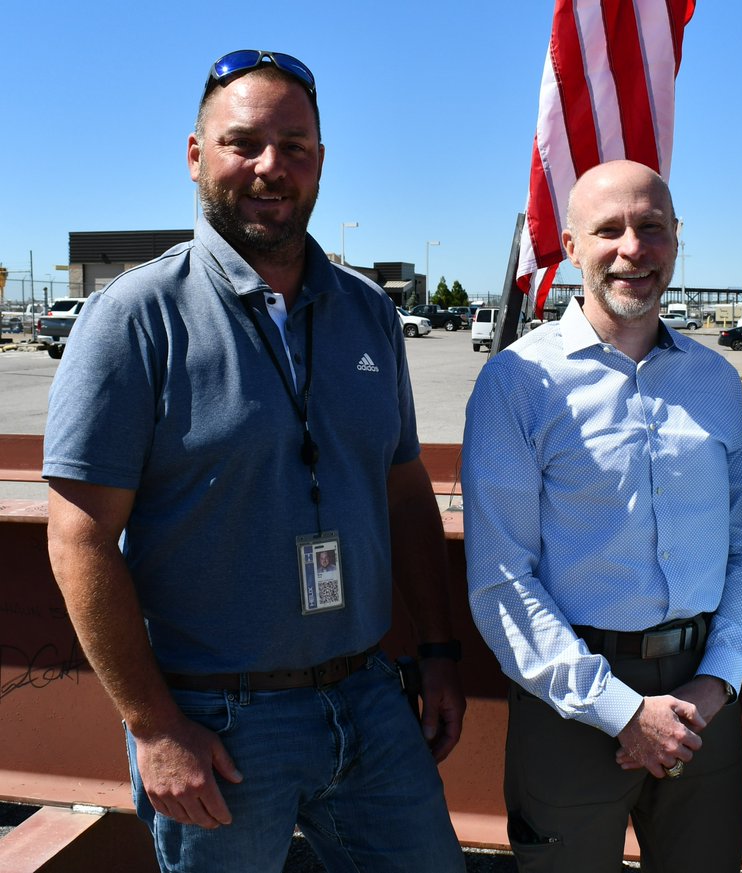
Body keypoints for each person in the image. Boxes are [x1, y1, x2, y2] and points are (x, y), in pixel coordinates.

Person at [43, 50, 466, 872]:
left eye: (296, 147)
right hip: (217, 719)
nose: (272, 167)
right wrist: (156, 727)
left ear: (319, 164)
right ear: (196, 156)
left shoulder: (369, 313)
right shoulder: (134, 319)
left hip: (370, 697)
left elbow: (403, 488)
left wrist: (440, 654)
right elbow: (79, 540)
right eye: (244, 143)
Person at [462, 159, 742, 872]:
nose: (633, 248)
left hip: (704, 701)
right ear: (571, 247)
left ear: (675, 240)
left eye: (652, 228)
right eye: (608, 230)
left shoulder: (716, 380)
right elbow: (502, 578)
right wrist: (623, 710)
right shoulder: (517, 383)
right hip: (569, 705)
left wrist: (717, 677)